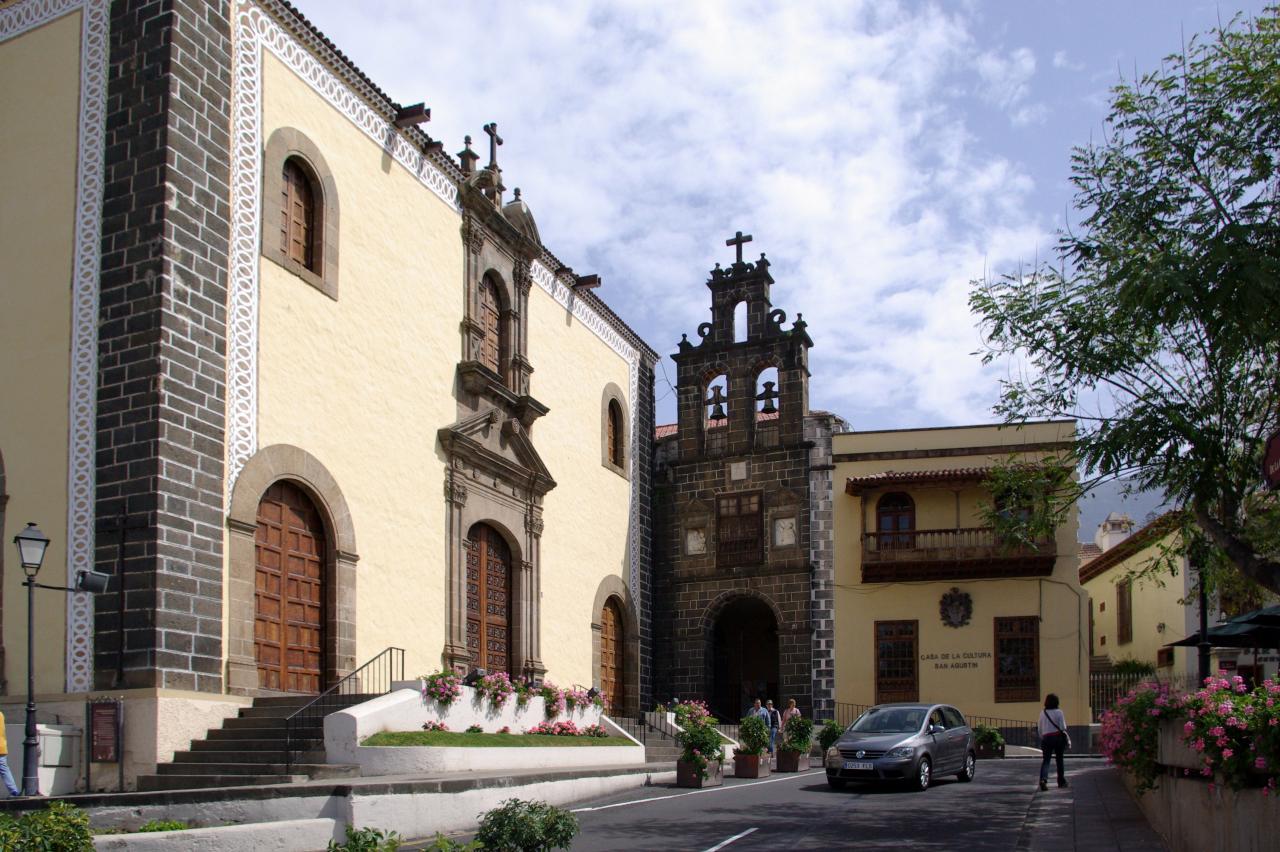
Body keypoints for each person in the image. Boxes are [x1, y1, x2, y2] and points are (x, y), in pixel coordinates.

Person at [1038, 693, 1071, 791]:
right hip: (1057, 737)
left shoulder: (1042, 713)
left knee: (1046, 760)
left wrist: (1043, 737)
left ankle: (1043, 779)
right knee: (1059, 760)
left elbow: (1040, 728)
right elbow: (1063, 727)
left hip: (1046, 738)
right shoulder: (1059, 712)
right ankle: (1061, 781)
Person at [0, 709, 20, 797]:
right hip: (2, 746)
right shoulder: (1, 714)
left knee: (4, 769)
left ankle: (14, 791)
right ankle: (14, 791)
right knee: (4, 770)